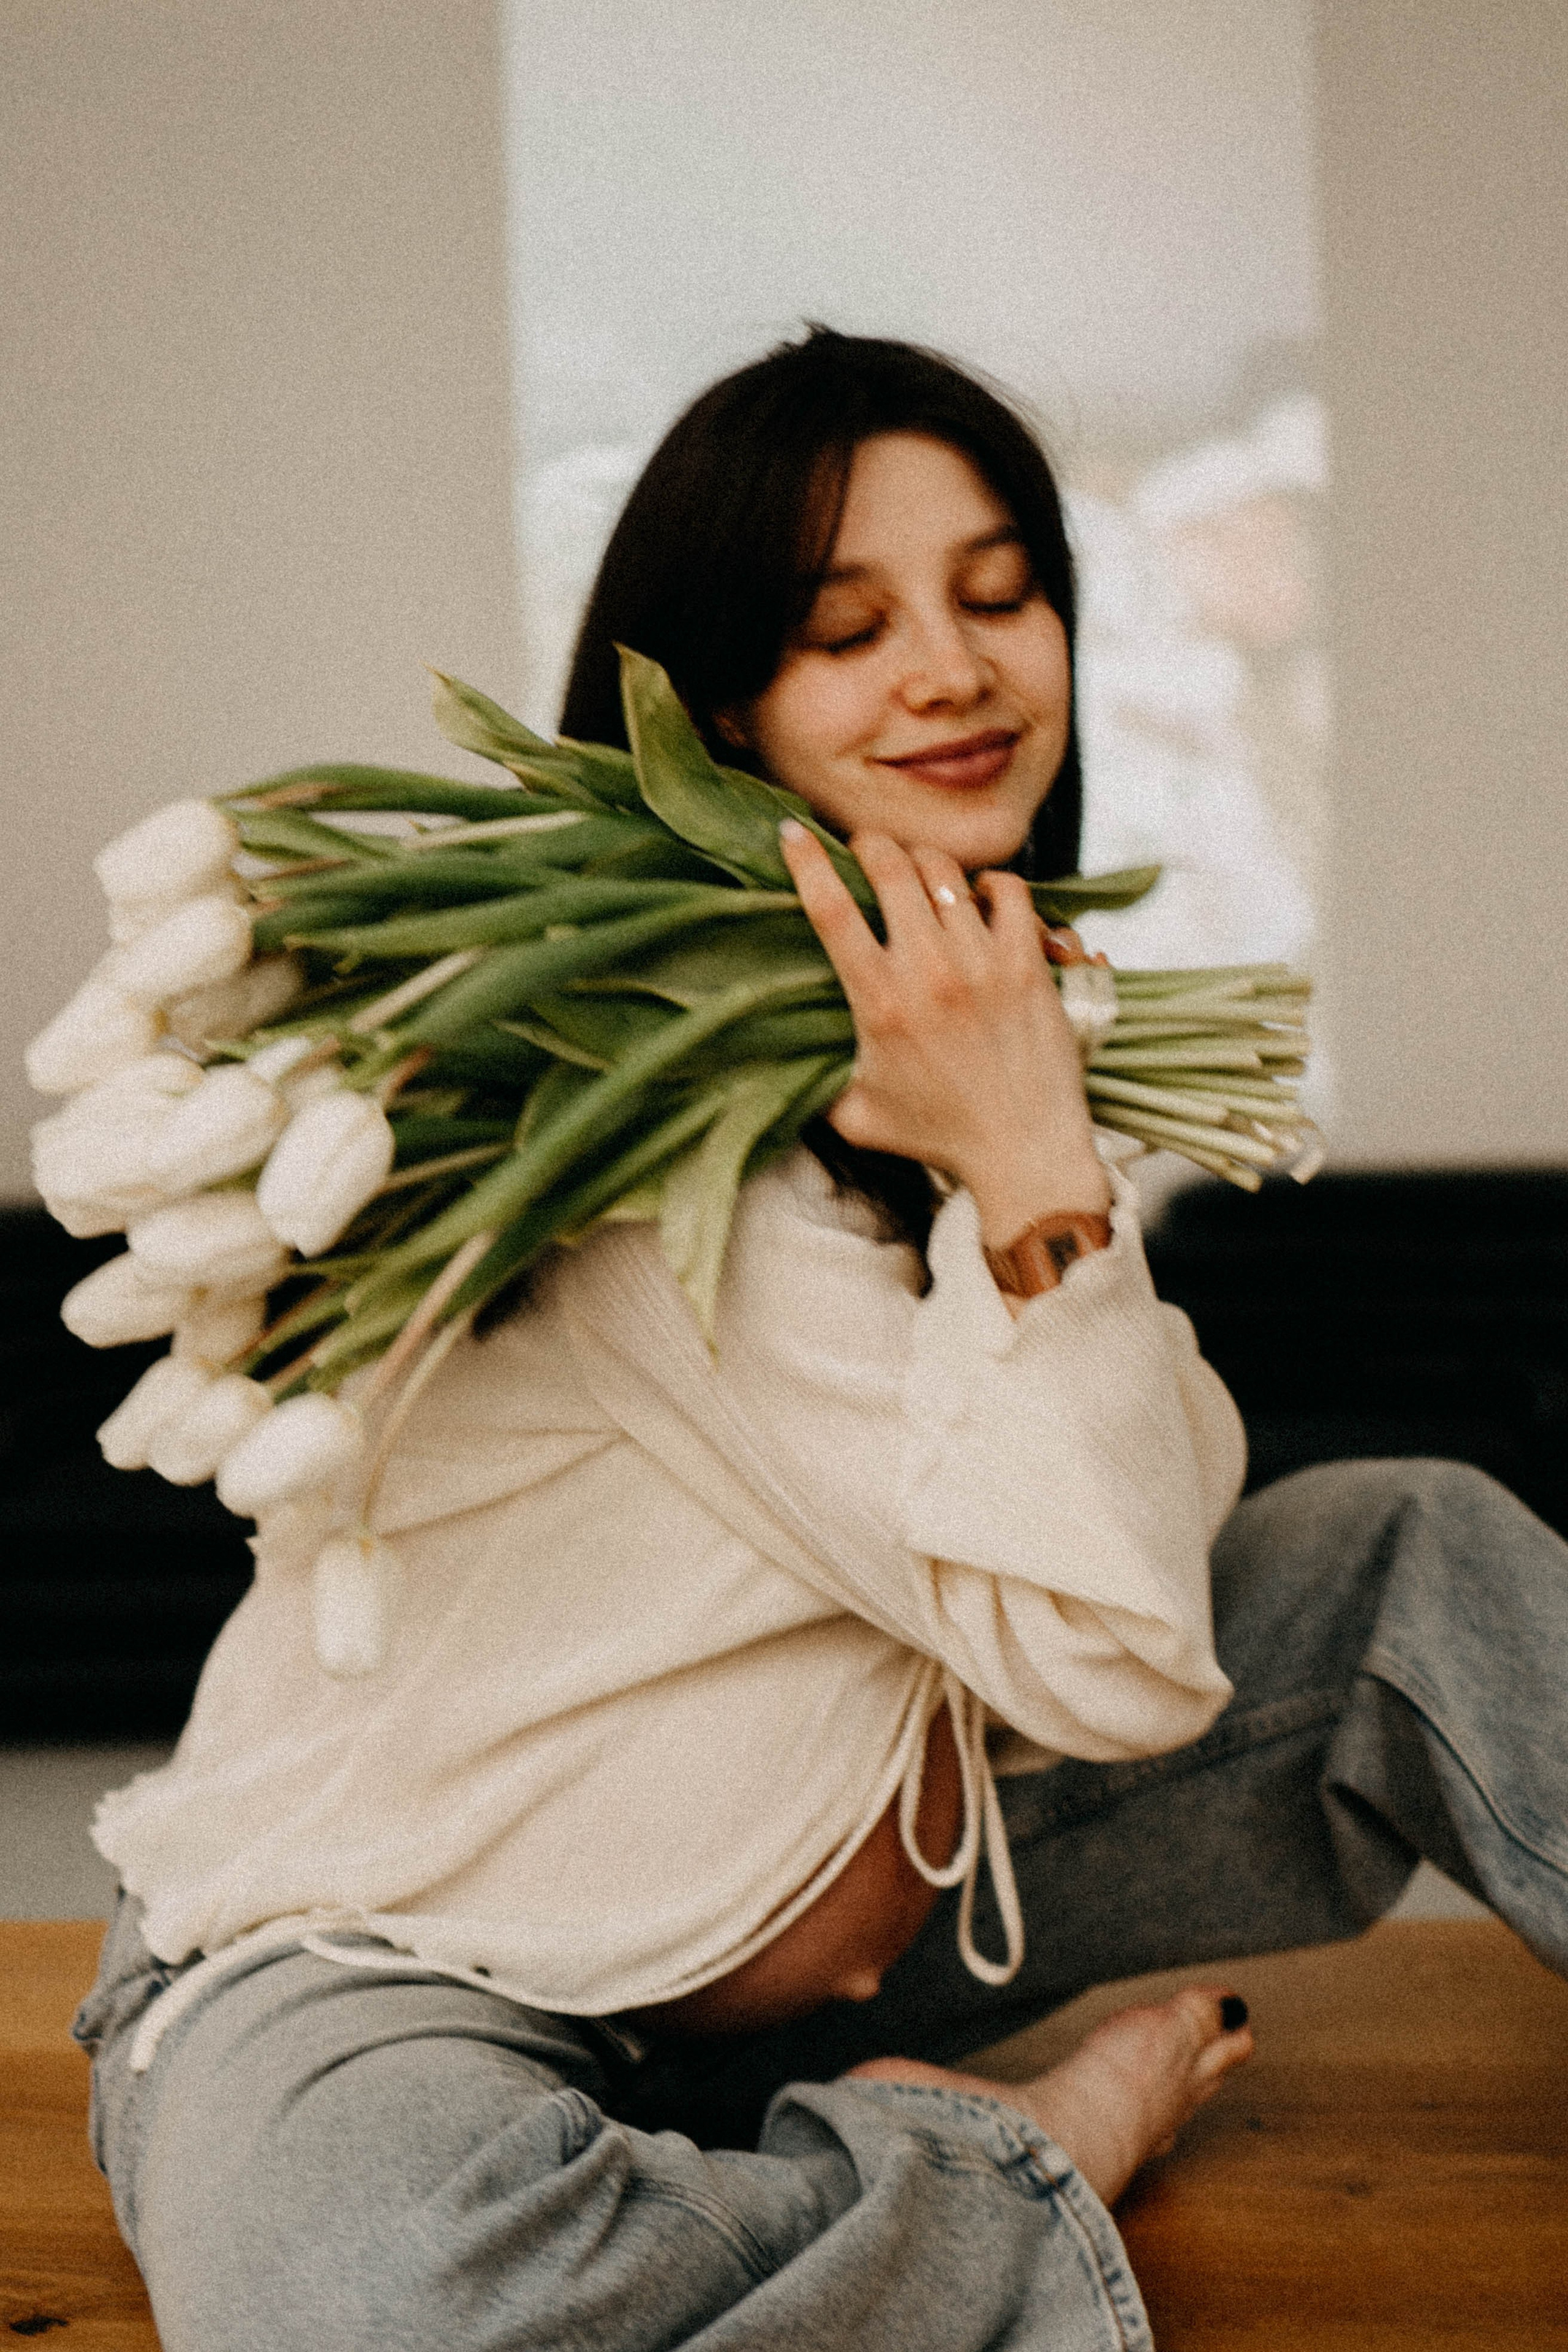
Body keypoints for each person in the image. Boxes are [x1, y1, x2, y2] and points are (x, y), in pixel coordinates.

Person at [75, 329, 1568, 2352]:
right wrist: (1033, 1175)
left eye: (997, 592)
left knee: (1414, 1557)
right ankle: (999, 2170)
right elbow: (1117, 1655)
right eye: (841, 627)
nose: (951, 671)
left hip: (892, 1868)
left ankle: (767, 2194)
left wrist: (1021, 1161)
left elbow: (1173, 1516)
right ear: (713, 712)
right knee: (384, 2298)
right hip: (423, 1971)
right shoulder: (626, 1129)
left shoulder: (954, 1066)